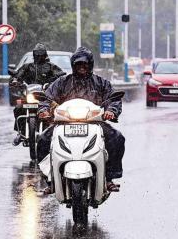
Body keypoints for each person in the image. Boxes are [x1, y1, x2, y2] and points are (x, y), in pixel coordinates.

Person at [37, 47, 125, 193]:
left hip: (95, 122)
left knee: (117, 138)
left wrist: (111, 111)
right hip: (64, 122)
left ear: (90, 65)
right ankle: (51, 179)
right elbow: (47, 98)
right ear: (73, 66)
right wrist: (43, 110)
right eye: (78, 64)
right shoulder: (62, 82)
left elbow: (113, 99)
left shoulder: (101, 83)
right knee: (42, 140)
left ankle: (109, 177)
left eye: (85, 64)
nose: (82, 67)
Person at [10, 43, 64, 146]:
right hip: (29, 95)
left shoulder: (51, 67)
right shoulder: (27, 66)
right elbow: (17, 75)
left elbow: (61, 74)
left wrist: (56, 80)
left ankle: (52, 132)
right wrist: (16, 80)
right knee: (18, 108)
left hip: (45, 96)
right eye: (37, 54)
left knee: (53, 110)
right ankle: (20, 133)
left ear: (45, 54)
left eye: (41, 54)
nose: (39, 56)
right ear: (34, 55)